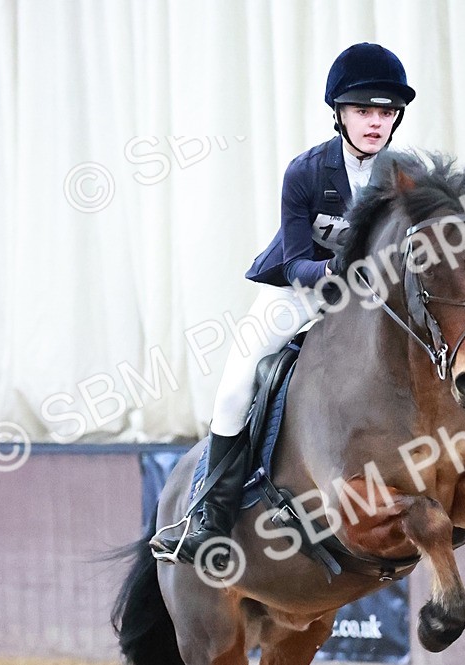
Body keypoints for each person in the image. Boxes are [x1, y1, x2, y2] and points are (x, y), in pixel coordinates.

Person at [152, 42, 415, 565]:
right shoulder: (307, 173)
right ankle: (210, 516)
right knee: (234, 387)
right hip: (300, 294)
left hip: (373, 304)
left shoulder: (403, 174)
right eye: (363, 110)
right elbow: (296, 262)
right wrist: (337, 272)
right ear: (339, 114)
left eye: (385, 112)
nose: (374, 122)